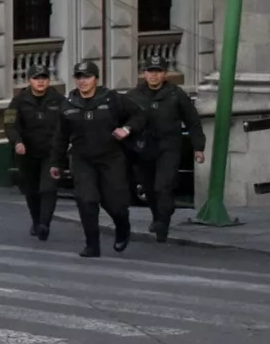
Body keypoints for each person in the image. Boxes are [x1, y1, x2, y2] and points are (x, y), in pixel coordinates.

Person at [49, 60, 142, 257]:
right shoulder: (68, 105)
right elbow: (60, 137)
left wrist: (126, 129)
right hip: (83, 159)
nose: (83, 81)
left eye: (87, 77)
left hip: (111, 157)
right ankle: (92, 244)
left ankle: (122, 228)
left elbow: (139, 116)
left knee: (115, 202)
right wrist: (55, 163)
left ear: (96, 79)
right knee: (86, 200)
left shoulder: (112, 99)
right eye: (79, 77)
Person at [127, 59, 206, 242]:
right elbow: (123, 121)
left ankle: (163, 223)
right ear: (144, 74)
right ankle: (158, 216)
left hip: (169, 146)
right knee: (149, 188)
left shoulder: (176, 94)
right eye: (150, 71)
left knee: (163, 186)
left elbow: (192, 121)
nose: (154, 75)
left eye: (158, 71)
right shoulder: (133, 96)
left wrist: (198, 147)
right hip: (144, 149)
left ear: (165, 74)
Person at [3, 66, 67, 240]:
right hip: (27, 153)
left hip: (52, 153)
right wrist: (17, 141)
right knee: (31, 190)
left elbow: (67, 124)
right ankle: (36, 220)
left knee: (49, 188)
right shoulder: (18, 101)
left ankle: (44, 224)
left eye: (44, 78)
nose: (40, 81)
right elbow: (10, 125)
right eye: (36, 78)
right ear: (30, 80)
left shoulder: (59, 100)